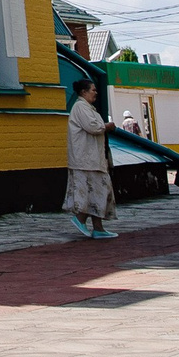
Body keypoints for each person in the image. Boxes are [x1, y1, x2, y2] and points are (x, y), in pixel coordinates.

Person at [64, 78, 118, 239]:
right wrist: (107, 126)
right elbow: (93, 127)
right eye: (92, 90)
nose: (95, 93)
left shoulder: (87, 108)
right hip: (86, 161)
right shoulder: (81, 107)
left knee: (99, 192)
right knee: (94, 191)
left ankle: (98, 227)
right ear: (83, 92)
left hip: (93, 159)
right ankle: (81, 219)